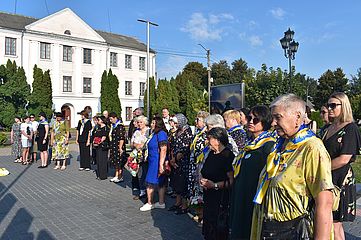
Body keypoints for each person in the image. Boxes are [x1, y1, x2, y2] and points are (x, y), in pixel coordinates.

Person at [251, 94, 334, 240]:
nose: (273, 123)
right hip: (269, 229)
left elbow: (325, 202)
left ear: (297, 117)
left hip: (292, 231)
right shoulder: (280, 145)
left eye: (278, 117)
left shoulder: (311, 148)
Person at [230, 106, 276, 240]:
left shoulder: (269, 145)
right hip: (241, 195)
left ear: (265, 122)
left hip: (252, 199)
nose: (250, 121)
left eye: (256, 120)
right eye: (249, 118)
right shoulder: (250, 143)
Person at [323, 92, 361, 240]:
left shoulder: (350, 128)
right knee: (329, 220)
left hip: (340, 179)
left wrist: (321, 170)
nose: (330, 108)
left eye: (334, 105)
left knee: (335, 222)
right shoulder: (329, 127)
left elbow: (344, 158)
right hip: (328, 177)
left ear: (344, 106)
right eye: (328, 105)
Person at [200, 127, 234, 240]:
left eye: (209, 139)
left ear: (217, 140)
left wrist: (214, 185)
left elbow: (231, 181)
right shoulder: (211, 153)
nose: (207, 141)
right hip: (208, 197)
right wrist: (202, 180)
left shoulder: (228, 156)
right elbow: (204, 171)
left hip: (220, 200)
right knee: (209, 228)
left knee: (218, 230)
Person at [140, 116, 168, 211]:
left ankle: (150, 202)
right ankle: (160, 202)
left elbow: (163, 149)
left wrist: (161, 164)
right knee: (160, 182)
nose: (151, 124)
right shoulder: (154, 133)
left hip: (157, 161)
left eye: (153, 123)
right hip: (152, 160)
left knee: (150, 182)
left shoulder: (161, 134)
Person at [169, 113, 193, 214]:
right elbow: (173, 145)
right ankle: (177, 203)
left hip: (183, 162)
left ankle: (184, 205)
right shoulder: (177, 131)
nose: (175, 124)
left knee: (183, 183)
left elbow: (185, 147)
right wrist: (172, 159)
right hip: (175, 161)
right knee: (177, 183)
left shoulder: (187, 131)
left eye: (176, 122)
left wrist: (177, 158)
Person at [188, 111, 209, 223]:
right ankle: (199, 212)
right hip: (195, 164)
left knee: (201, 189)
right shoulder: (198, 132)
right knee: (196, 188)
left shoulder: (206, 134)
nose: (196, 122)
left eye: (198, 120)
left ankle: (203, 214)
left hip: (201, 165)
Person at [130, 115, 150, 199]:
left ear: (145, 123)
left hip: (146, 156)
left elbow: (149, 143)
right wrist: (135, 144)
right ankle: (142, 191)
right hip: (137, 156)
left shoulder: (149, 131)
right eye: (138, 122)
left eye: (141, 122)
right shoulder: (136, 132)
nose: (139, 124)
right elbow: (131, 144)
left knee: (146, 173)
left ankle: (148, 191)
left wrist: (142, 145)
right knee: (139, 173)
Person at [109, 112, 126, 183]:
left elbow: (122, 138)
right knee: (116, 161)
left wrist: (120, 147)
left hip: (118, 146)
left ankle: (120, 176)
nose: (110, 120)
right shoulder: (113, 126)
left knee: (120, 162)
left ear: (115, 118)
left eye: (111, 119)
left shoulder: (120, 126)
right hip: (114, 146)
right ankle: (116, 175)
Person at [93, 116, 109, 180]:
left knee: (103, 160)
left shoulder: (105, 128)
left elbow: (104, 137)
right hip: (97, 146)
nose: (97, 121)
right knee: (99, 160)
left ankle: (103, 175)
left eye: (98, 119)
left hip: (103, 146)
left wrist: (98, 142)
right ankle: (99, 174)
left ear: (102, 120)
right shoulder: (98, 127)